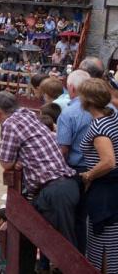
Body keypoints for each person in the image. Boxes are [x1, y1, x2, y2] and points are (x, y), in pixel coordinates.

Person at [0, 91, 79, 273]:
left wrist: (15, 162)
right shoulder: (28, 114)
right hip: (66, 184)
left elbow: (5, 162)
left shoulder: (10, 124)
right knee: (67, 244)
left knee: (66, 252)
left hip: (53, 191)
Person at [78, 79, 118, 273]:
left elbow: (109, 162)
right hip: (110, 187)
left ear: (88, 101)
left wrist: (88, 175)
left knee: (103, 240)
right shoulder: (112, 116)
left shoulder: (100, 126)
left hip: (105, 191)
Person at [57, 69, 92, 254]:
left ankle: (74, 257)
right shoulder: (110, 109)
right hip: (101, 169)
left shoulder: (69, 113)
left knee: (74, 217)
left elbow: (63, 149)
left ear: (71, 88)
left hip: (77, 169)